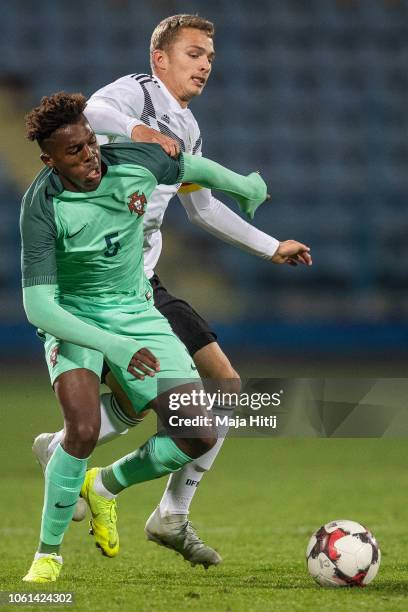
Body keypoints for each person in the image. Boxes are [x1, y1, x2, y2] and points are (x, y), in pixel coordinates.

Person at [32, 14, 312, 568]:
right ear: (160, 59)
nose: (205, 63)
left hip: (145, 281)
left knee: (225, 385)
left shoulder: (189, 128)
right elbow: (89, 112)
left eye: (210, 56)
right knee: (144, 399)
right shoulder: (136, 92)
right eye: (194, 53)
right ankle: (71, 455)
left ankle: (168, 512)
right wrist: (138, 131)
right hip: (96, 285)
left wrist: (268, 245)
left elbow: (202, 205)